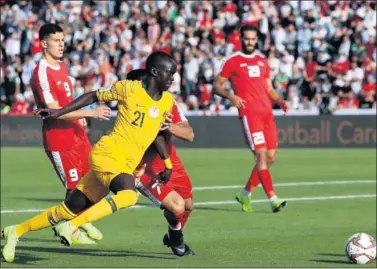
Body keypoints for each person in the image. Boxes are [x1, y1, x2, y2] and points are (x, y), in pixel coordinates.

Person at [1, 51, 176, 263]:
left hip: (123, 164)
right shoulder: (128, 89)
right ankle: (72, 226)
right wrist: (59, 112)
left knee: (67, 209)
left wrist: (167, 163)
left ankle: (16, 231)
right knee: (128, 196)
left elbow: (156, 133)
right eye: (169, 73)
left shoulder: (167, 101)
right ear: (155, 72)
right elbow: (92, 96)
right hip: (108, 154)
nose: (172, 79)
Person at [2, 23, 110, 247]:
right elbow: (55, 111)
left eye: (63, 40)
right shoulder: (40, 74)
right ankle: (63, 227)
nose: (61, 45)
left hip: (77, 133)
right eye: (56, 41)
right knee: (74, 190)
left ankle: (77, 222)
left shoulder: (61, 66)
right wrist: (90, 112)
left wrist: (79, 117)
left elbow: (67, 102)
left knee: (97, 180)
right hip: (59, 140)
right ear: (43, 43)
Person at [214, 24, 288, 213]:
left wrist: (279, 101)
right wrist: (231, 97)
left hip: (267, 115)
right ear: (241, 39)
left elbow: (268, 88)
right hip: (250, 115)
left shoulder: (262, 61)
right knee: (261, 156)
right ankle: (273, 199)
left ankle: (245, 194)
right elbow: (218, 86)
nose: (250, 42)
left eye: (253, 39)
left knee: (271, 157)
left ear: (257, 40)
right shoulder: (233, 61)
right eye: (247, 38)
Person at [127, 69, 195, 256]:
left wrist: (169, 126)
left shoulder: (166, 100)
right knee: (177, 206)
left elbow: (189, 134)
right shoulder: (130, 107)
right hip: (145, 167)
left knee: (188, 205)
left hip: (170, 159)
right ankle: (176, 235)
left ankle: (173, 233)